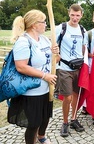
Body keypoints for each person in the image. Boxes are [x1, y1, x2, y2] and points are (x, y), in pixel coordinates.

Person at [7, 9, 58, 144]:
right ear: (34, 25)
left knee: (45, 117)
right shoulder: (23, 42)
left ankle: (42, 137)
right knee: (33, 123)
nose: (45, 24)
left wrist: (56, 54)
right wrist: (44, 76)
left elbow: (53, 61)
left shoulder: (44, 40)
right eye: (43, 22)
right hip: (32, 91)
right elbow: (21, 66)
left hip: (47, 89)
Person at [56, 4, 87, 137]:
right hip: (64, 68)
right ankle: (65, 122)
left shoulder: (82, 29)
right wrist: (56, 54)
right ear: (69, 13)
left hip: (78, 68)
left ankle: (74, 118)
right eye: (73, 15)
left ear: (81, 15)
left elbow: (84, 47)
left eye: (78, 15)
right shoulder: (61, 28)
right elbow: (53, 44)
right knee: (67, 97)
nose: (75, 18)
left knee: (76, 95)